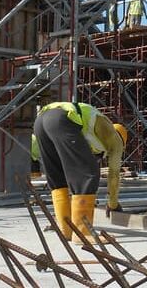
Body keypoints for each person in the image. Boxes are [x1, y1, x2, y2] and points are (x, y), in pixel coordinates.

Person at [31, 102, 128, 242]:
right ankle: (83, 233)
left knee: (58, 177)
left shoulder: (91, 130)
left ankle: (66, 230)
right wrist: (113, 204)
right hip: (61, 119)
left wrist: (33, 163)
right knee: (88, 173)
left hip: (41, 121)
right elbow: (114, 175)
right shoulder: (115, 140)